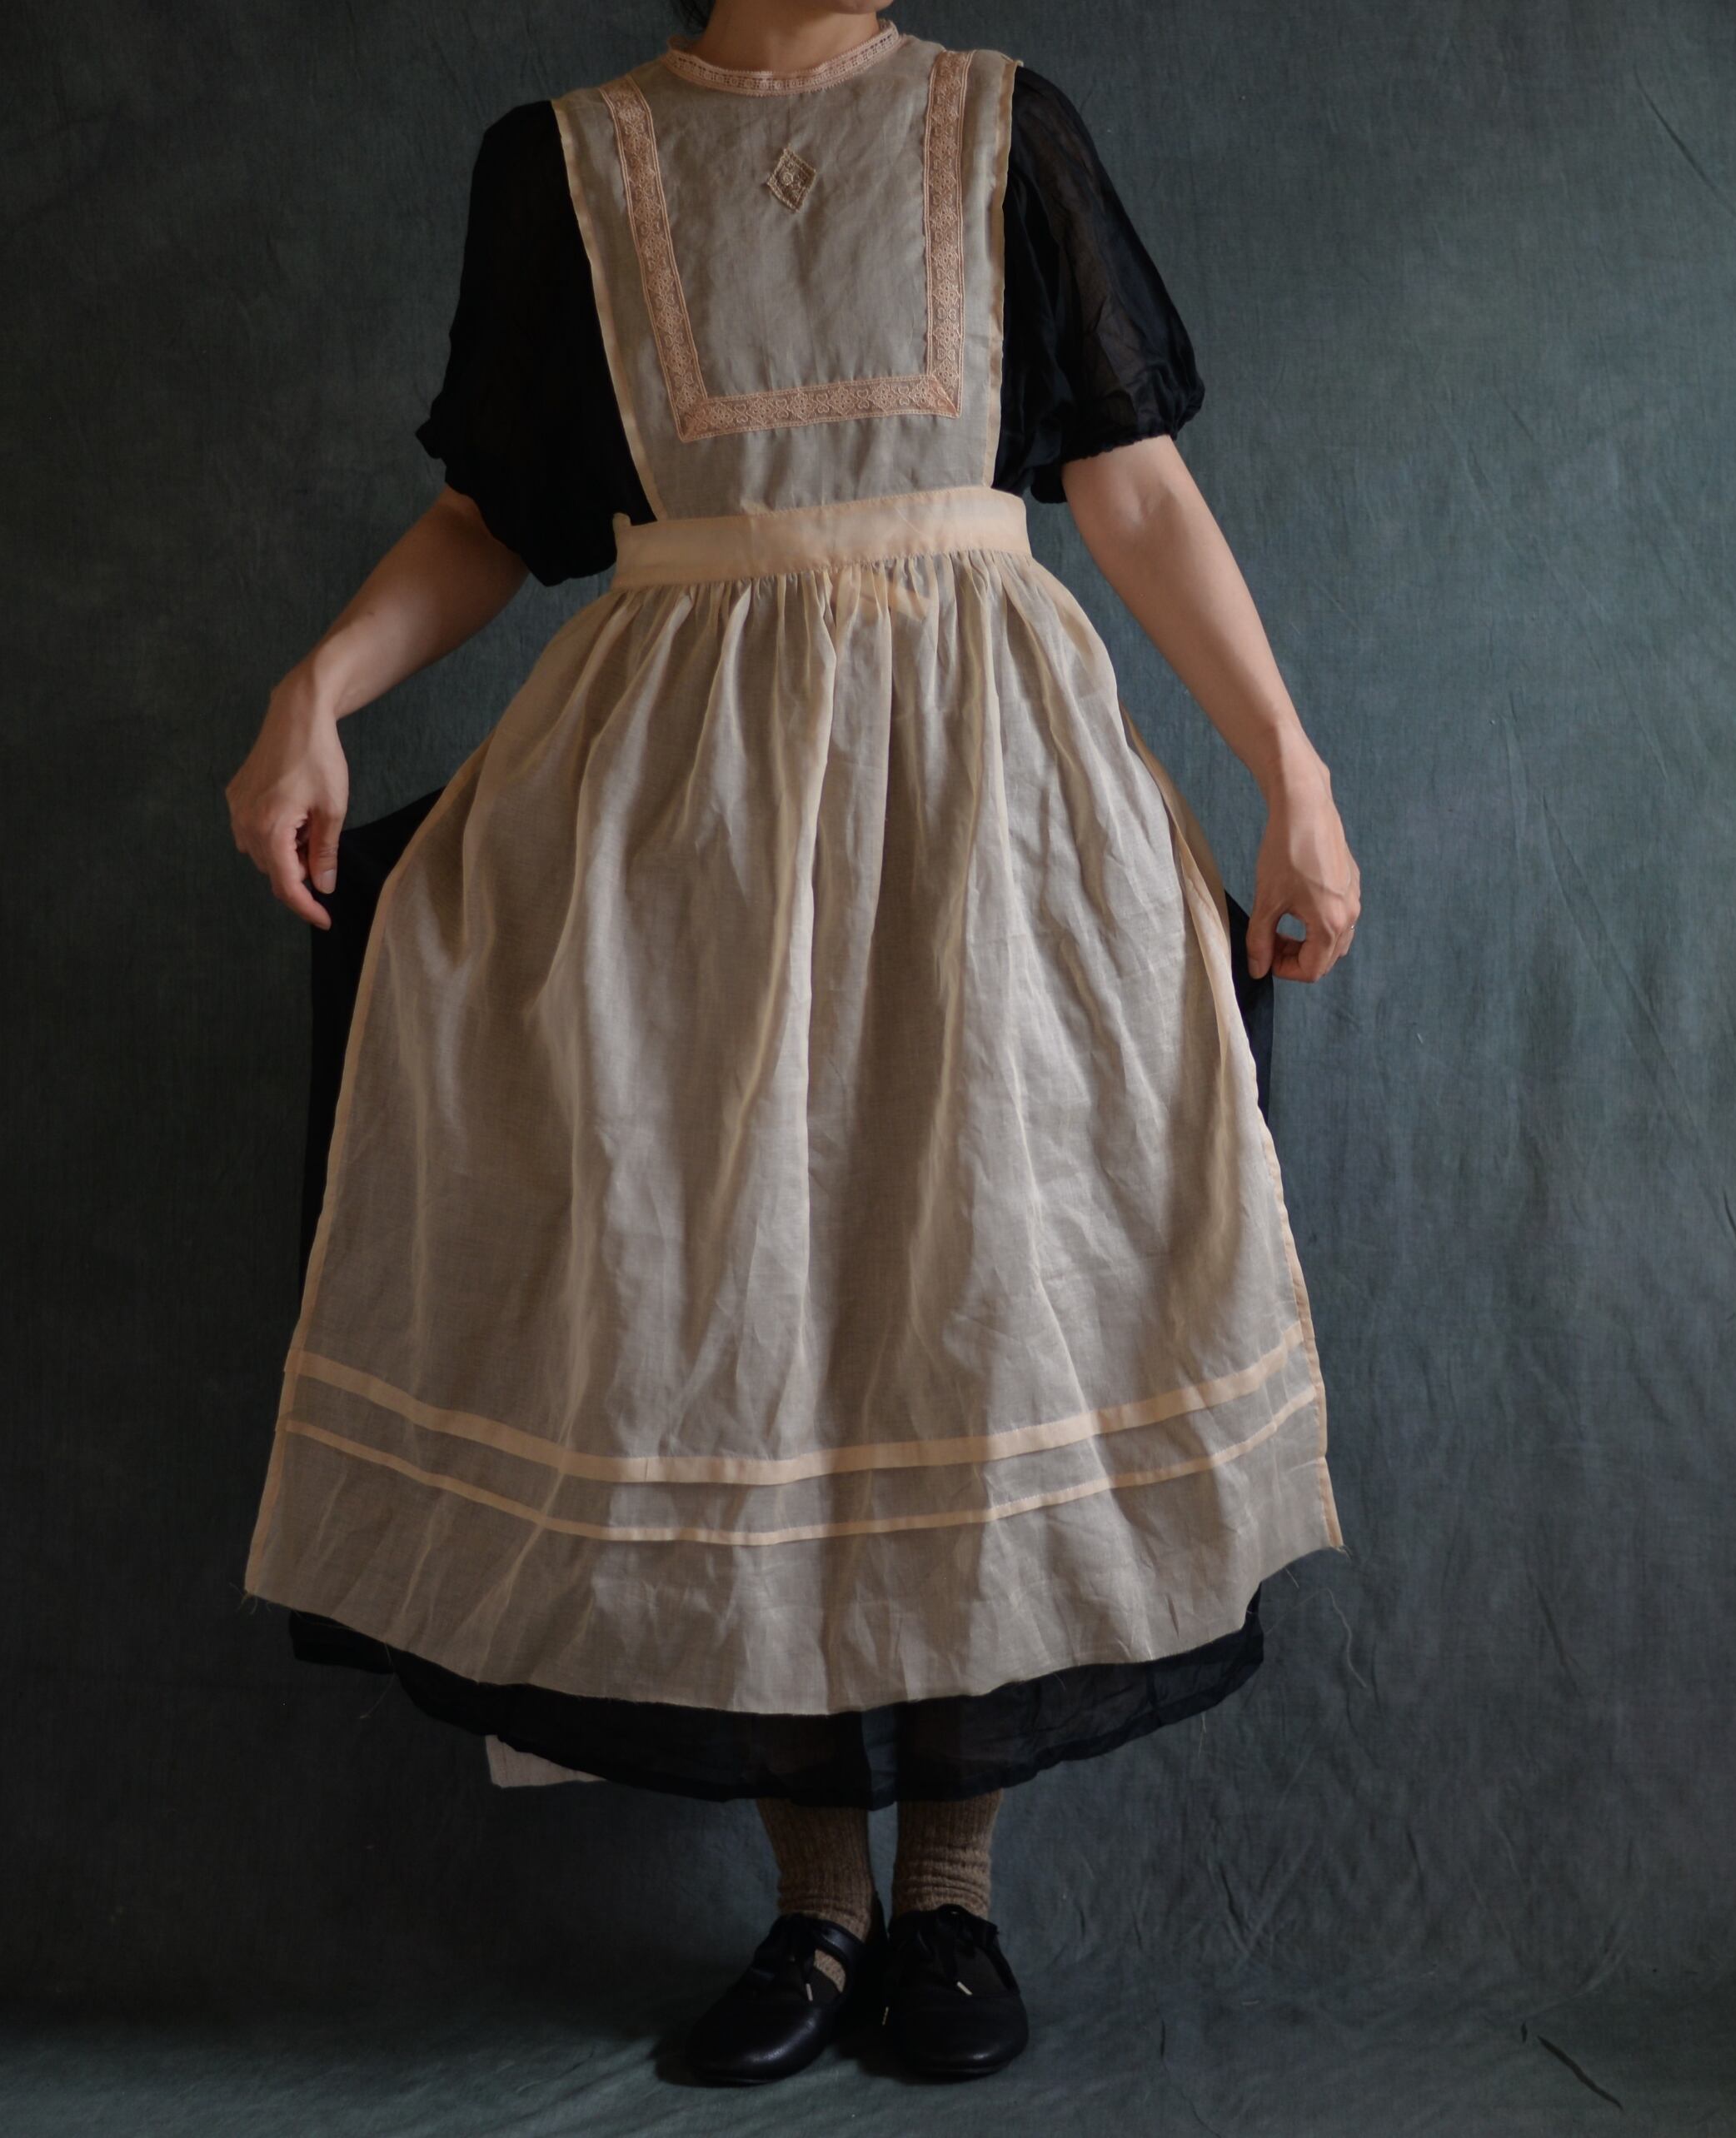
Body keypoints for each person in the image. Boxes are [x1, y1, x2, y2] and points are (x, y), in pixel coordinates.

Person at [222, 0, 1360, 2088]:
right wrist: (319, 690)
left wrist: (1288, 765)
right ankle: (819, 1910)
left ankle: (951, 1904)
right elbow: (497, 514)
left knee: (978, 1303)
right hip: (694, 823)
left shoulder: (1002, 128)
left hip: (980, 803)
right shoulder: (568, 161)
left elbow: (1129, 490)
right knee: (734, 1324)